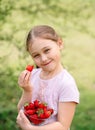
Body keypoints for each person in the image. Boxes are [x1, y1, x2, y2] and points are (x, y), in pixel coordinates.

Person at [16, 25, 80, 130]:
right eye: (36, 55)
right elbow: (22, 110)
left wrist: (30, 129)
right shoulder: (34, 76)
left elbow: (63, 125)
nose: (44, 59)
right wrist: (27, 90)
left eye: (47, 50)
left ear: (60, 44)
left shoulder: (66, 84)